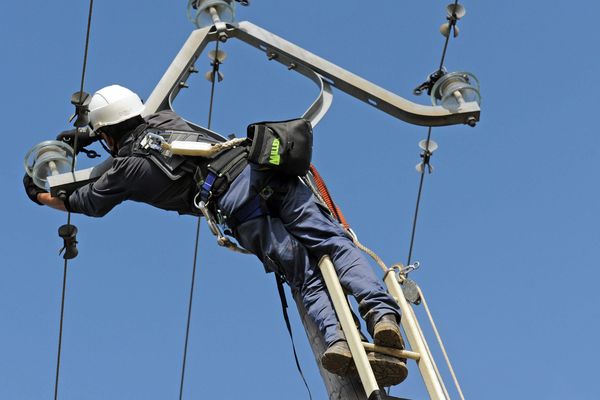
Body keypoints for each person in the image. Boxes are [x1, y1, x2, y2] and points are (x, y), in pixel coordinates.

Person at [23, 84, 408, 386]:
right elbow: (135, 118)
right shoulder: (164, 118)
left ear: (107, 135)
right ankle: (380, 314)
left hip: (239, 208)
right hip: (262, 171)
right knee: (334, 244)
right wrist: (95, 134)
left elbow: (89, 202)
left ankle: (339, 340)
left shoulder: (124, 170)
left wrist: (43, 195)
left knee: (303, 275)